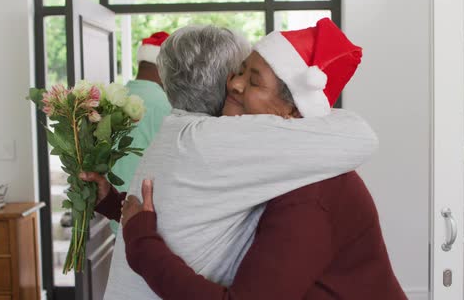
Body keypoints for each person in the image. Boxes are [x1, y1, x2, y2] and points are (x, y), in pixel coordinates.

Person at [87, 20, 384, 299]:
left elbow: (362, 136)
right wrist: (119, 206)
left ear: (292, 111)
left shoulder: (310, 191)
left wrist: (140, 243)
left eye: (254, 82)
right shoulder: (251, 155)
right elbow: (195, 209)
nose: (234, 84)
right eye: (239, 71)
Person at [105, 31, 172, 234]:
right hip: (147, 217)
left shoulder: (112, 99)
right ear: (164, 67)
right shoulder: (165, 105)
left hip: (114, 211)